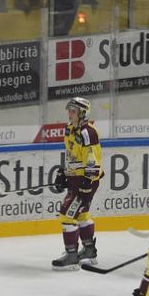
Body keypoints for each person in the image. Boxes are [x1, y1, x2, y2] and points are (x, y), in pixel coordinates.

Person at [52, 97, 103, 269]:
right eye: (69, 110)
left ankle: (72, 255)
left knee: (67, 214)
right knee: (81, 215)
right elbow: (72, 155)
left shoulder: (88, 132)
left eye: (73, 111)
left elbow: (92, 158)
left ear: (82, 113)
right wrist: (65, 173)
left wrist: (86, 181)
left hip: (86, 180)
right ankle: (89, 250)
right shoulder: (69, 129)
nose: (70, 114)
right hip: (77, 179)